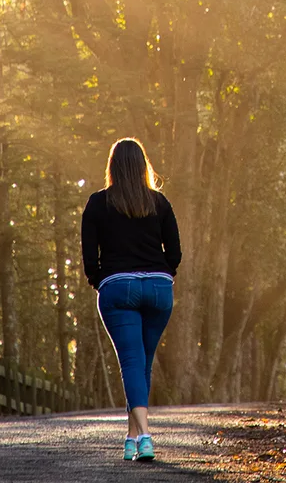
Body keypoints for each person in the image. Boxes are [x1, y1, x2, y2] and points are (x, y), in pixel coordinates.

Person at [81, 137, 180, 462]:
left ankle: (147, 437)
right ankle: (131, 438)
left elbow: (89, 258)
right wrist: (161, 275)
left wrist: (100, 281)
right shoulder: (159, 203)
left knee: (132, 364)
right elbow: (175, 253)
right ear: (143, 166)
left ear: (111, 167)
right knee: (142, 364)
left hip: (118, 289)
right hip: (158, 289)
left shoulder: (97, 203)